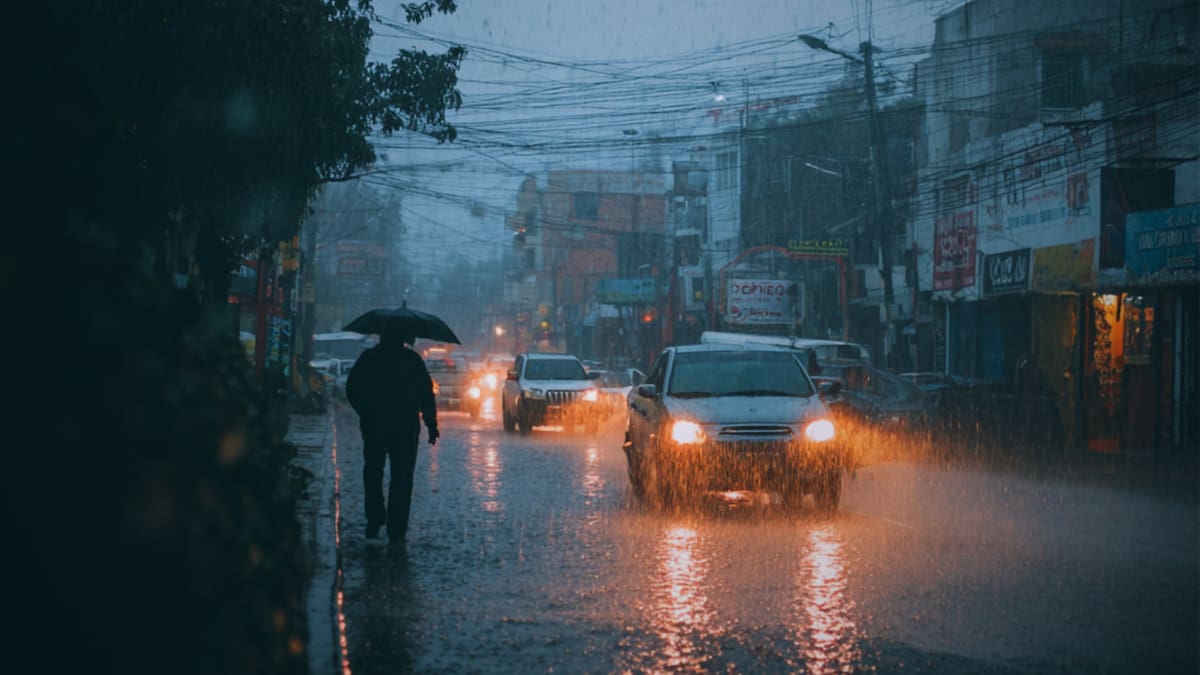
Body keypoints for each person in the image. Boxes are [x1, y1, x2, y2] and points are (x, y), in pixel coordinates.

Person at [345, 331, 439, 543]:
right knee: (402, 477)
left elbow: (351, 388)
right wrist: (431, 424)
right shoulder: (413, 361)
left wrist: (363, 410)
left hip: (374, 425)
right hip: (404, 428)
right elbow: (426, 394)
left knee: (373, 472)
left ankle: (375, 517)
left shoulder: (369, 359)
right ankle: (397, 528)